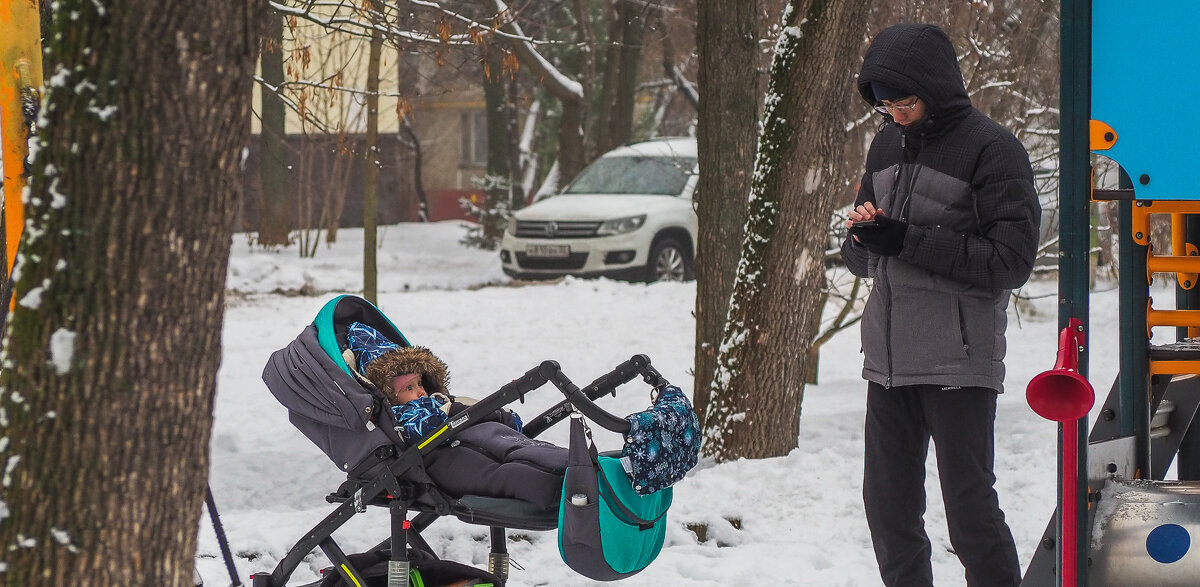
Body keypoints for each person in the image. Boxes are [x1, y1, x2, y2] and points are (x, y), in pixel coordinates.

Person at [840, 23, 1040, 587]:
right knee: (888, 512)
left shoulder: (993, 148)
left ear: (937, 85)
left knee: (970, 516)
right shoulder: (884, 144)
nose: (897, 115)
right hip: (888, 361)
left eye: (906, 100)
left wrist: (902, 238)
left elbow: (1010, 261)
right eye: (885, 106)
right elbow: (863, 260)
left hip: (959, 358)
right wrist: (862, 239)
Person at [346, 322, 565, 510]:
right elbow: (422, 427)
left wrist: (501, 416)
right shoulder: (401, 416)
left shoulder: (441, 399)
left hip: (480, 441)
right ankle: (555, 484)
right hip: (444, 461)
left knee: (525, 450)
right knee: (506, 475)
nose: (421, 391)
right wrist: (450, 411)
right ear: (390, 396)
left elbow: (478, 409)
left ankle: (569, 466)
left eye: (420, 383)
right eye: (409, 388)